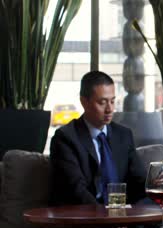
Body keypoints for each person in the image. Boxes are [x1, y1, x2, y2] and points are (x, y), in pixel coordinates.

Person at [49, 71, 146, 206]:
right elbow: (76, 191)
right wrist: (107, 218)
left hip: (122, 216)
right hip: (85, 218)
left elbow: (139, 181)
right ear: (84, 102)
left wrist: (154, 183)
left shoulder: (123, 135)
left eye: (112, 101)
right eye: (102, 102)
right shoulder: (65, 138)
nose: (110, 109)